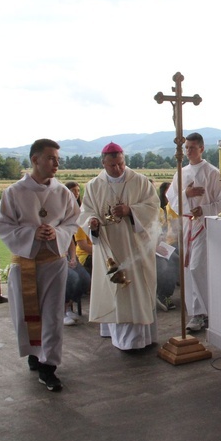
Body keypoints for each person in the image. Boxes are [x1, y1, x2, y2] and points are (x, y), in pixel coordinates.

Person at [0, 138, 80, 392]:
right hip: (26, 262)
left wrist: (56, 233)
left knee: (53, 315)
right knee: (27, 314)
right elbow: (3, 225)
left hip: (54, 262)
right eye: (51, 158)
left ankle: (48, 366)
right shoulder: (14, 192)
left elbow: (72, 222)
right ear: (35, 160)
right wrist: (32, 234)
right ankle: (35, 353)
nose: (56, 163)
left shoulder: (62, 192)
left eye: (57, 159)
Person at [79, 142, 160, 350]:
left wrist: (130, 211)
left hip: (134, 246)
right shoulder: (94, 186)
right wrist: (92, 223)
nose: (118, 169)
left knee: (135, 289)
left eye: (121, 164)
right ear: (103, 163)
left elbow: (153, 207)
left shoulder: (140, 181)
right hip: (109, 246)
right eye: (113, 165)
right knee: (113, 287)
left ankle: (139, 339)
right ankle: (116, 335)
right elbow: (86, 212)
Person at [166, 132, 221, 332]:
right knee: (187, 269)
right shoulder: (180, 172)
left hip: (203, 226)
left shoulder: (212, 172)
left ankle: (206, 311)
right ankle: (195, 313)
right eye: (187, 148)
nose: (189, 151)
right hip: (186, 226)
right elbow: (172, 201)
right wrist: (186, 194)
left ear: (201, 148)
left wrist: (205, 210)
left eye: (193, 147)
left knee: (197, 267)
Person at [64, 181, 90, 326]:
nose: (76, 193)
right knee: (72, 277)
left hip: (69, 255)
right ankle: (63, 310)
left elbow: (70, 241)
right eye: (72, 191)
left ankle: (70, 304)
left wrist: (73, 258)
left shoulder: (79, 212)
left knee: (85, 278)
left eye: (78, 191)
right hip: (56, 257)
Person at [156, 181, 179, 312]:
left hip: (160, 245)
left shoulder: (159, 210)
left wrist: (161, 243)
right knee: (165, 265)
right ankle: (162, 295)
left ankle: (166, 294)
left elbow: (163, 231)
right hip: (144, 249)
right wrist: (154, 247)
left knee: (175, 258)